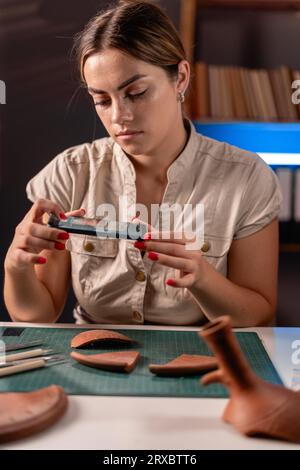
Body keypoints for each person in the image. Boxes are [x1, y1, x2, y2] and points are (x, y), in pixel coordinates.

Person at [4, 0, 282, 327]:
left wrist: (203, 278)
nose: (119, 116)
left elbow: (260, 315)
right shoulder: (70, 173)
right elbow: (37, 315)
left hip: (200, 361)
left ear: (179, 78)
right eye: (102, 100)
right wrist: (16, 265)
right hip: (92, 360)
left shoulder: (247, 177)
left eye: (136, 93)